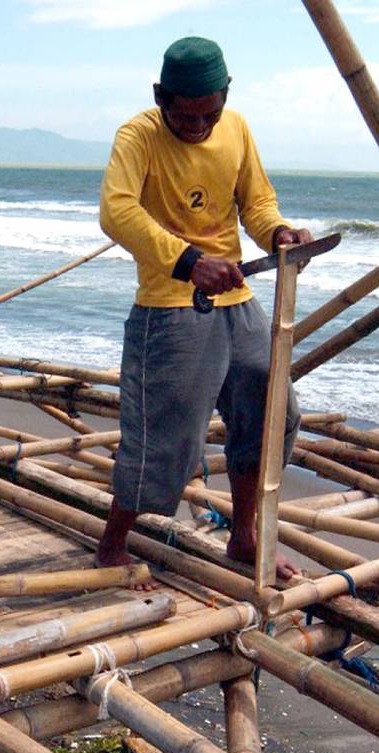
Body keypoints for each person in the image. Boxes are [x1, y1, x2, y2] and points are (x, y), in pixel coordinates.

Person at [96, 36, 310, 581]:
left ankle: (244, 536)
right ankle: (112, 542)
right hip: (172, 302)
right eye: (183, 116)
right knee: (165, 431)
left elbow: (257, 202)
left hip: (237, 299)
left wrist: (279, 234)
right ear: (159, 96)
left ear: (225, 97)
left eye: (207, 115)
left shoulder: (236, 128)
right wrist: (189, 261)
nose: (196, 126)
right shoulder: (138, 135)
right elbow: (116, 212)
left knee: (270, 409)